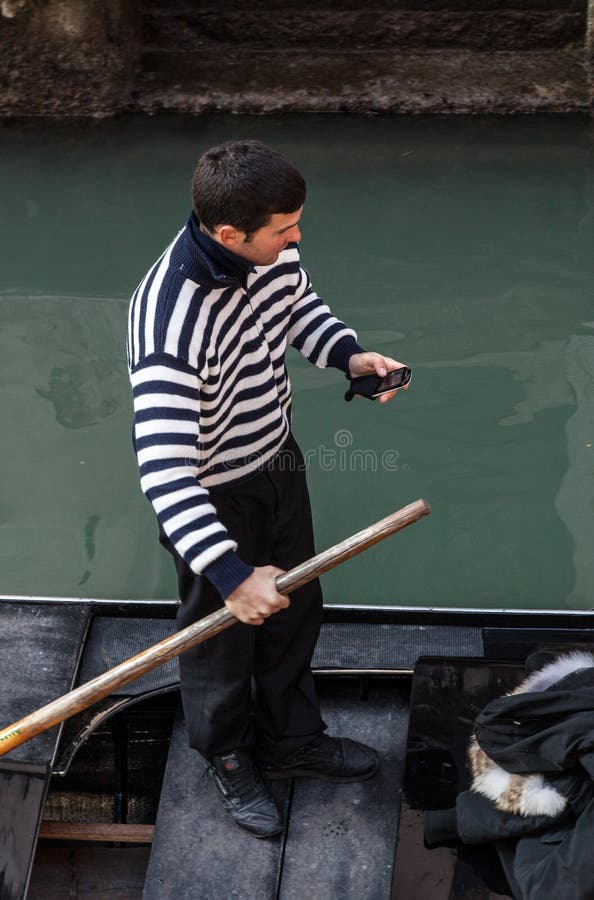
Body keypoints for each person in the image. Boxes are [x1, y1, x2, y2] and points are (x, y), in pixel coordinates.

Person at [127, 140, 408, 838]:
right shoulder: (170, 322)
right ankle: (225, 753)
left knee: (294, 607)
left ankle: (290, 738)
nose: (296, 239)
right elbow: (164, 473)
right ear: (231, 235)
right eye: (285, 229)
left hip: (277, 459)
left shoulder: (270, 251)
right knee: (219, 637)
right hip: (212, 494)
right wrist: (228, 572)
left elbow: (299, 310)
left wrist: (350, 355)